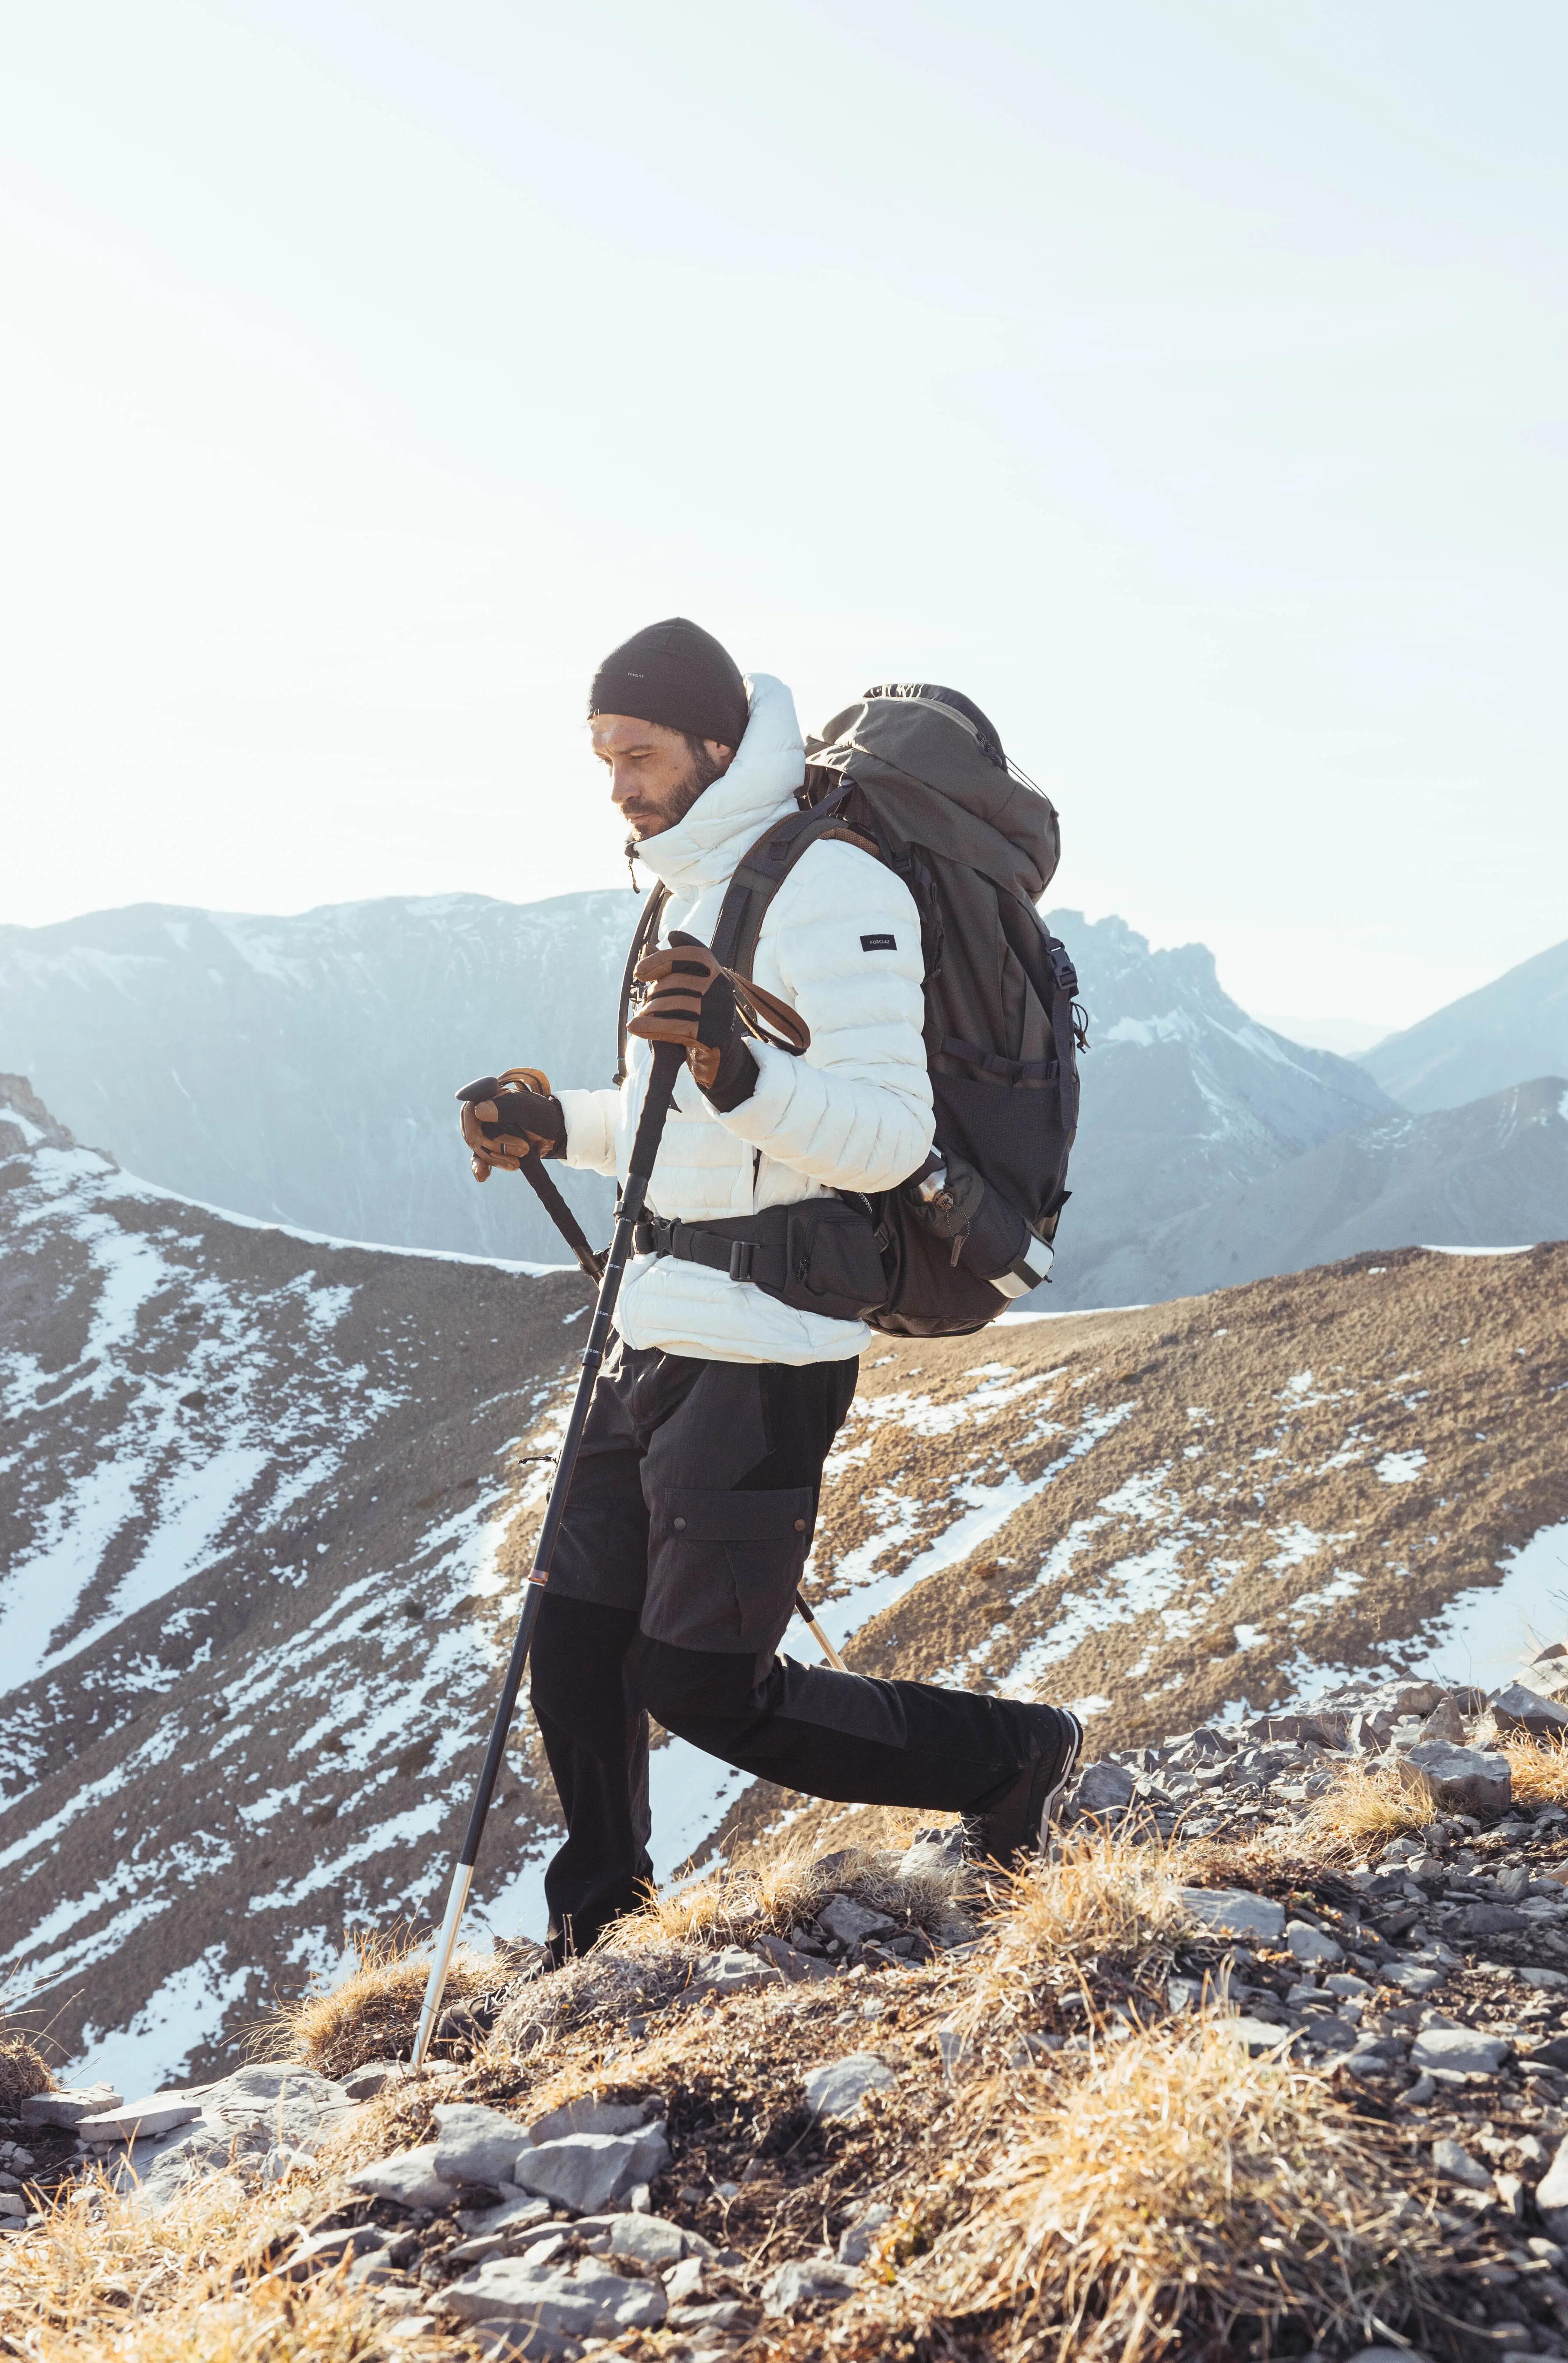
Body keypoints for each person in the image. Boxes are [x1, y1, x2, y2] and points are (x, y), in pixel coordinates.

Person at [460, 617, 1080, 1957]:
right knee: (573, 1636)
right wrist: (547, 1124)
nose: (617, 782)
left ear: (717, 743)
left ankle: (1014, 1758)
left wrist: (745, 1071)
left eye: (637, 752)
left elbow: (889, 1137)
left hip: (763, 1353)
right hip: (651, 1327)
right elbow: (670, 1118)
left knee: (703, 1684)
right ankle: (604, 1937)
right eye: (601, 756)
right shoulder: (686, 884)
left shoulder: (837, 890)